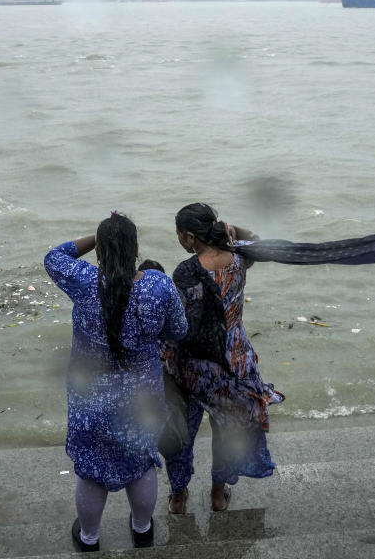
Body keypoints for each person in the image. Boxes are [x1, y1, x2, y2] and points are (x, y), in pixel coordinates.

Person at [44, 212, 187, 551]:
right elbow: (179, 331)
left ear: (101, 251)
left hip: (90, 399)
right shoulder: (157, 285)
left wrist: (96, 236)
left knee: (92, 471)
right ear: (136, 248)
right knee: (140, 463)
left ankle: (89, 537)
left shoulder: (84, 280)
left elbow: (53, 257)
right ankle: (142, 529)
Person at [162, 203, 285, 514]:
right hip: (233, 360)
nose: (180, 241)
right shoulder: (239, 260)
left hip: (192, 366)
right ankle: (218, 494)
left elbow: (177, 323)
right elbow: (258, 241)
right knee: (225, 428)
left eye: (180, 236)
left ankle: (178, 496)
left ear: (190, 237)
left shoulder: (185, 272)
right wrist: (234, 228)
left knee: (182, 431)